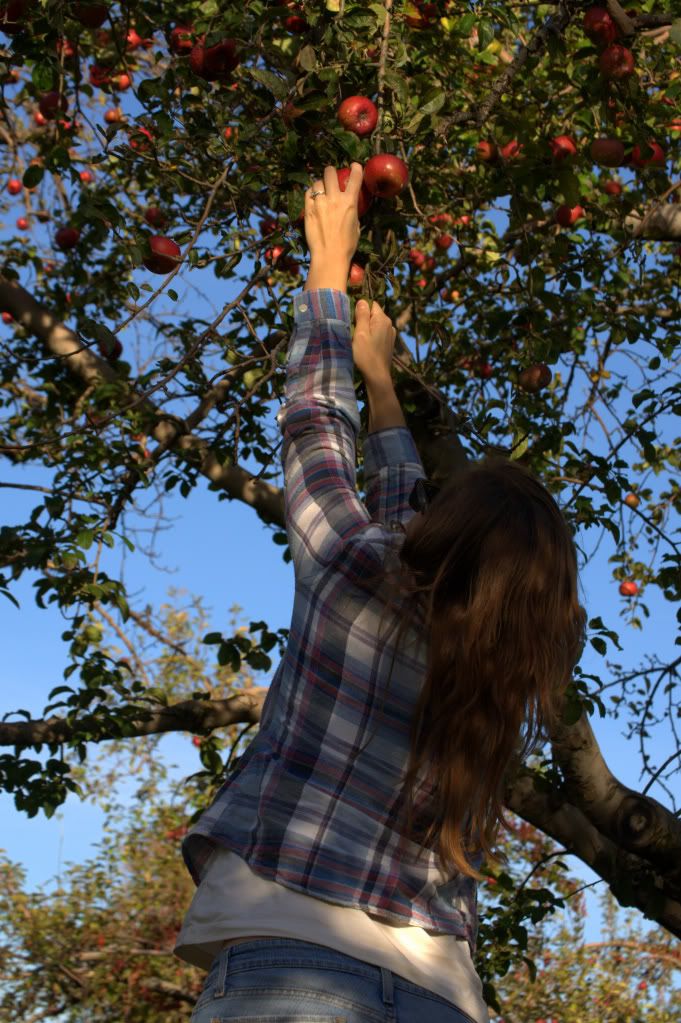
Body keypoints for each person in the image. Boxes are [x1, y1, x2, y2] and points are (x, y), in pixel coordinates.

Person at [174, 163, 587, 1023]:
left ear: (444, 533)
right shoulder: (507, 672)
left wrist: (327, 268)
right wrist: (383, 384)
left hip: (293, 946)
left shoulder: (358, 572)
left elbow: (312, 427)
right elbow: (391, 517)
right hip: (443, 989)